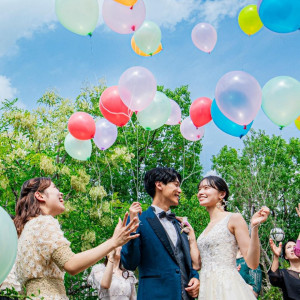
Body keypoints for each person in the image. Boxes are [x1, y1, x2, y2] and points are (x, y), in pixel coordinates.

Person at [14, 177, 139, 300]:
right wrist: (113, 242)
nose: (60, 192)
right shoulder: (44, 223)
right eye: (55, 187)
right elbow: (71, 265)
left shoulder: (25, 230)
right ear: (40, 196)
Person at [183, 175, 269, 300]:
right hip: (207, 289)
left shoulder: (234, 218)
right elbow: (197, 265)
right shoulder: (206, 229)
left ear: (222, 194)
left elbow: (252, 263)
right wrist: (191, 236)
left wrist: (254, 228)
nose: (200, 192)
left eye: (206, 188)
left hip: (228, 288)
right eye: (199, 189)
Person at [121, 167, 200, 300]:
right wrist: (133, 228)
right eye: (176, 185)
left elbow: (185, 260)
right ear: (159, 185)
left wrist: (195, 278)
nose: (180, 190)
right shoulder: (138, 220)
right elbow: (129, 264)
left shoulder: (180, 223)